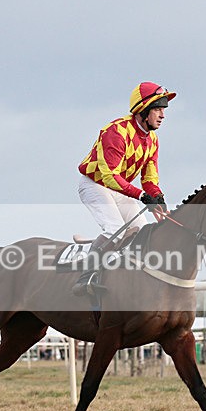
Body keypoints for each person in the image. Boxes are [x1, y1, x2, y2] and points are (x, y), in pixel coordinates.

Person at [72, 82, 176, 296]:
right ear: (143, 110)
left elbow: (149, 179)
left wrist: (157, 197)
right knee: (115, 229)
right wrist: (141, 195)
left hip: (119, 190)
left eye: (163, 109)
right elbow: (109, 176)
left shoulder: (152, 140)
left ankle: (130, 280)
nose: (163, 115)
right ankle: (85, 277)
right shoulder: (116, 131)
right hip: (95, 184)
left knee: (142, 232)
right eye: (158, 109)